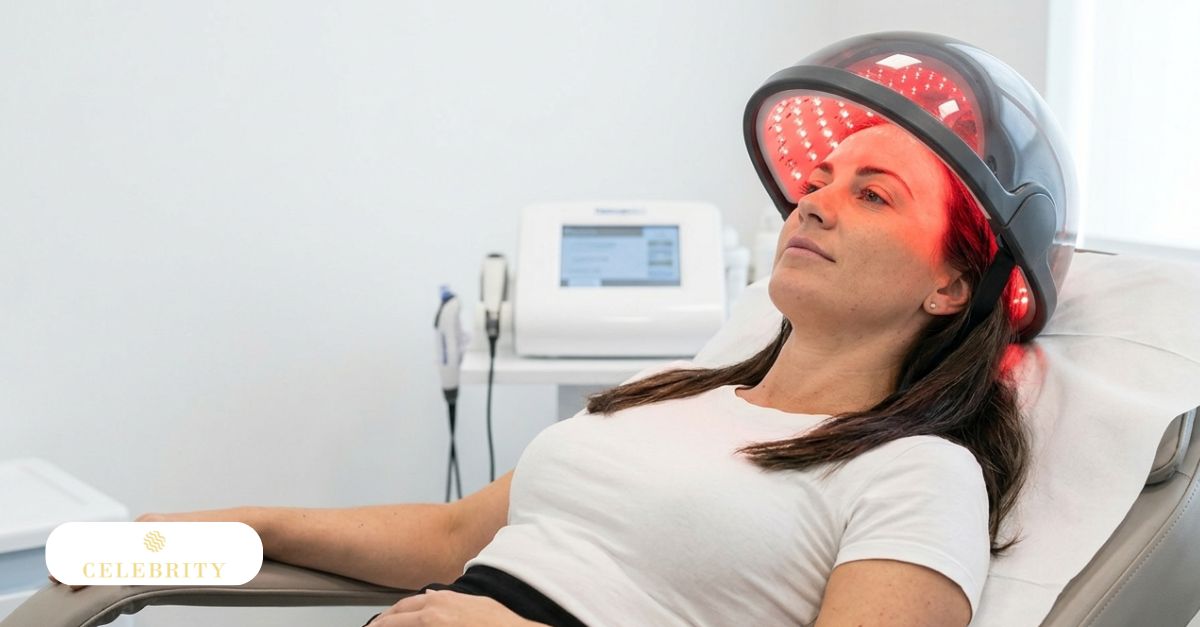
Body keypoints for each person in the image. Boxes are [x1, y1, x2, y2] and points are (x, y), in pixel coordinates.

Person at [53, 120, 1031, 627]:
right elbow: (448, 534)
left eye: (872, 194)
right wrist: (246, 528)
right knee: (70, 576)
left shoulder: (916, 474)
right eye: (816, 182)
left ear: (950, 283)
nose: (813, 204)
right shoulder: (675, 395)